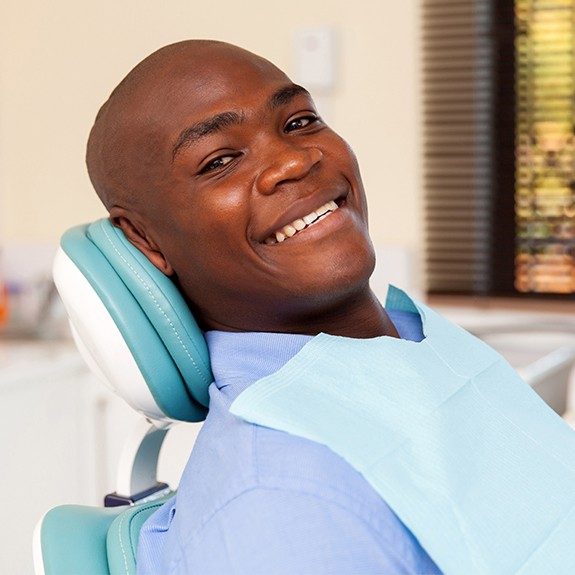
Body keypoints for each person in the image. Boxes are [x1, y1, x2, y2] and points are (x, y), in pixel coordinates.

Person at [86, 40, 441, 574]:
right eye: (220, 161)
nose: (295, 160)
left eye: (298, 121)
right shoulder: (283, 509)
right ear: (145, 240)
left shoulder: (415, 341)